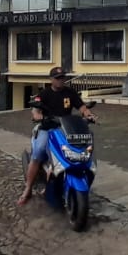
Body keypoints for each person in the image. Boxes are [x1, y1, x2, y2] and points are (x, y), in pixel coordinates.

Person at [17, 66, 96, 206]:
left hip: (66, 129)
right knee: (38, 152)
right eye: (58, 78)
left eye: (63, 77)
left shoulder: (70, 92)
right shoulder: (45, 93)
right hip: (47, 129)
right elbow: (35, 109)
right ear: (51, 79)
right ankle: (28, 189)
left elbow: (82, 107)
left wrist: (88, 115)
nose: (61, 80)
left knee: (80, 149)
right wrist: (37, 115)